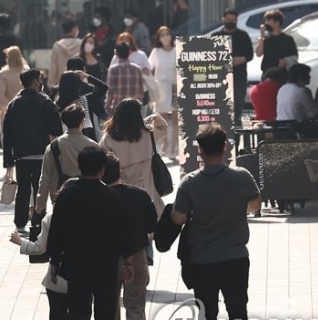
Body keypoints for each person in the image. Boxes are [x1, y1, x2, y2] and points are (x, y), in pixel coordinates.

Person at [171, 124, 262, 320]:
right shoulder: (242, 176)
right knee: (238, 311)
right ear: (225, 146)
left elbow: (178, 218)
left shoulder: (189, 182)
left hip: (202, 260)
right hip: (235, 258)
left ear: (199, 149)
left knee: (206, 312)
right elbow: (255, 205)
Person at [46, 146, 135, 320]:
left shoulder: (67, 196)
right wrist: (129, 263)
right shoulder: (112, 196)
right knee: (106, 311)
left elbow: (57, 230)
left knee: (78, 311)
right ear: (102, 170)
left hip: (76, 263)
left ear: (80, 167)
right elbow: (124, 231)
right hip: (106, 265)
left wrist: (54, 261)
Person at [3, 69, 63, 234]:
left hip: (21, 154)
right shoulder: (45, 101)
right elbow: (56, 127)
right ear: (36, 81)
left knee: (23, 189)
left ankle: (20, 222)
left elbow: (7, 133)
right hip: (42, 152)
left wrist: (8, 159)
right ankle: (39, 220)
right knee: (40, 188)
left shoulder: (14, 104)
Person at [102, 152, 157, 320]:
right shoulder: (140, 194)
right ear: (120, 171)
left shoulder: (98, 198)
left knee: (109, 307)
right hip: (137, 254)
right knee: (135, 306)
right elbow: (151, 225)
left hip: (106, 258)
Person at [10, 182, 73, 320]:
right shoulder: (90, 217)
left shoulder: (52, 217)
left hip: (58, 276)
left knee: (57, 314)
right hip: (84, 277)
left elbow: (40, 247)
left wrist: (20, 241)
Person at [99, 98, 167, 218]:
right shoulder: (148, 133)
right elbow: (163, 128)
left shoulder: (110, 137)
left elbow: (100, 153)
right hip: (148, 184)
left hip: (123, 184)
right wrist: (153, 118)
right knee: (151, 218)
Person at [35, 104, 99, 213]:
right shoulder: (92, 145)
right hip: (88, 196)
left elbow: (45, 178)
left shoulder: (53, 146)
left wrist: (40, 205)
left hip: (60, 196)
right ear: (82, 121)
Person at [212, 9, 253, 124]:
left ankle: (237, 137)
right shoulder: (216, 36)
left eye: (233, 20)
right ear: (223, 19)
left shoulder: (243, 35)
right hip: (221, 79)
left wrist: (242, 59)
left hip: (239, 78)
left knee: (237, 108)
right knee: (222, 109)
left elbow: (250, 55)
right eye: (228, 20)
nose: (231, 22)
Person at [148, 26, 178, 159]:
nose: (165, 37)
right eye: (162, 35)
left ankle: (173, 147)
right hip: (160, 86)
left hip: (175, 86)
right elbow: (148, 67)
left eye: (167, 34)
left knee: (176, 119)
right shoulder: (156, 51)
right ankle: (165, 144)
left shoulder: (177, 50)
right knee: (162, 119)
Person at [0, 46, 28, 146]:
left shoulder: (3, 74)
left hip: (8, 109)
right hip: (26, 108)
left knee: (8, 138)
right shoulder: (27, 71)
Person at [56, 71, 108, 141]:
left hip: (64, 143)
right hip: (85, 142)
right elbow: (103, 87)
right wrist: (87, 76)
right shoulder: (84, 101)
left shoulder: (55, 105)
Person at [105, 42, 145, 117]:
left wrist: (108, 107)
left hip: (118, 109)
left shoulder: (113, 69)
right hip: (134, 109)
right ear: (129, 52)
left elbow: (110, 91)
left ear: (116, 53)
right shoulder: (137, 69)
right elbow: (140, 92)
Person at [255, 9, 299, 74]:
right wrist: (262, 36)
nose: (266, 23)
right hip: (267, 72)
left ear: (277, 23)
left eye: (269, 21)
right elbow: (258, 54)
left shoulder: (288, 39)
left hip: (282, 73)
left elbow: (295, 56)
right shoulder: (265, 38)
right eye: (266, 21)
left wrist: (286, 61)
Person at [48, 19, 82, 88]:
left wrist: (51, 84)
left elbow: (53, 67)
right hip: (79, 84)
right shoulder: (81, 44)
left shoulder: (57, 46)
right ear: (74, 29)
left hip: (62, 85)